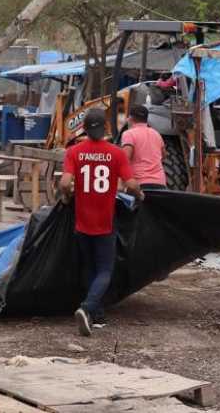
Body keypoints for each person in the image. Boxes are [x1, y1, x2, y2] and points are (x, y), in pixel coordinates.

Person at [59, 108, 144, 337]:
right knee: (105, 269)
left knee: (89, 267)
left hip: (82, 222)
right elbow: (131, 184)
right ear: (106, 128)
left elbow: (65, 183)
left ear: (84, 129)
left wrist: (67, 197)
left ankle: (96, 315)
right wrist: (140, 196)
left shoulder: (74, 152)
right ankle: (87, 309)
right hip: (105, 222)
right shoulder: (116, 154)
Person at [120, 105, 167, 190]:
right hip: (160, 184)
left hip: (139, 185)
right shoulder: (156, 134)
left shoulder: (129, 134)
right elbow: (163, 156)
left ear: (130, 118)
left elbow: (125, 159)